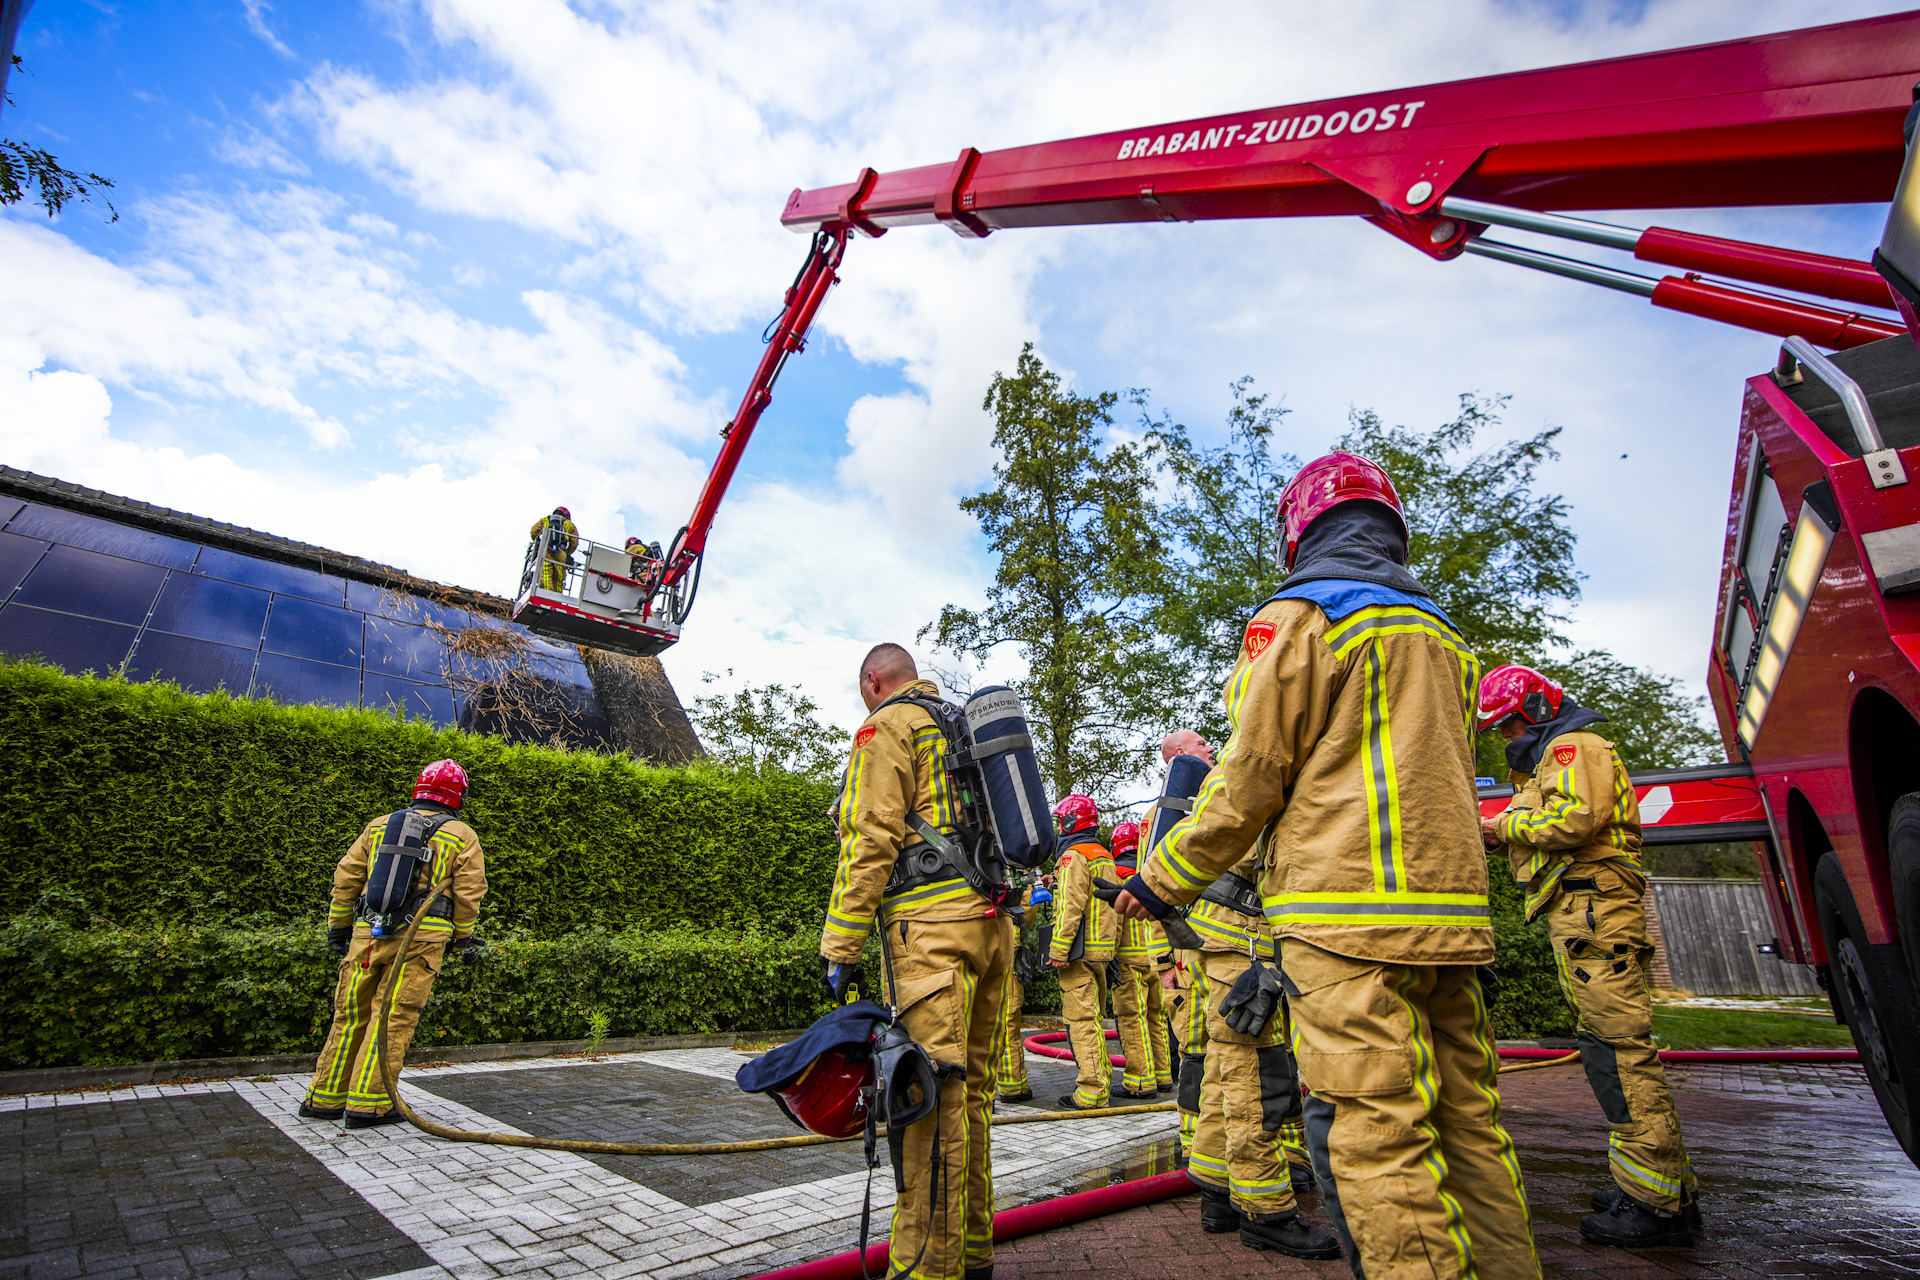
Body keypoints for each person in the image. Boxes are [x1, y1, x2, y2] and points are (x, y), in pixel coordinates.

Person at [1115, 451, 1540, 1280]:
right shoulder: (1441, 632)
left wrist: (1160, 877)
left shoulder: (1303, 616)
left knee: (1382, 1143)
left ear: (1299, 530)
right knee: (1472, 1133)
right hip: (1452, 925)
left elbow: (1249, 777)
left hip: (1346, 925)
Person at [1479, 664, 1700, 1248]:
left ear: (1535, 711)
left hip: (1593, 906)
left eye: (1508, 727)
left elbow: (1575, 819)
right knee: (1608, 1042)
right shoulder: (1559, 750)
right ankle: (1662, 1183)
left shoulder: (1574, 746)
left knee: (1617, 1048)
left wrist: (1502, 827)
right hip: (1584, 907)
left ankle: (1653, 1206)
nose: (1506, 740)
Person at [819, 643, 1013, 1280]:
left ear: (874, 681)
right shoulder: (956, 722)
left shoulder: (889, 725)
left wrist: (841, 945)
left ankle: (928, 1269)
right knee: (974, 1093)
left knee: (927, 1102)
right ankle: (973, 1253)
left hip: (930, 935)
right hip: (991, 926)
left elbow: (869, 833)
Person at [300, 760, 487, 1128]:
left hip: (366, 937)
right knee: (392, 1016)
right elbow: (469, 893)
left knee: (350, 1014)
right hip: (420, 941)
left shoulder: (380, 825)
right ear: (458, 797)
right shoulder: (461, 835)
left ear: (419, 788)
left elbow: (347, 878)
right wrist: (463, 936)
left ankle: (324, 1099)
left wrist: (338, 928)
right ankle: (369, 1105)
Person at [1047, 794, 1120, 1110]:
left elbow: (1070, 906)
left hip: (1078, 952)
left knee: (1080, 1020)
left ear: (1071, 822)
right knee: (1093, 1019)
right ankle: (1101, 1081)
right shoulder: (1102, 854)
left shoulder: (1073, 855)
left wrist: (1058, 949)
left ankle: (1091, 1091)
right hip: (1101, 950)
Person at [1109, 821, 1174, 1096]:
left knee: (1131, 1018)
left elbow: (1111, 922)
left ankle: (1139, 1082)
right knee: (1157, 1018)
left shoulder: (1117, 876)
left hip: (1128, 961)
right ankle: (1163, 1076)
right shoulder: (1151, 873)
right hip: (1155, 959)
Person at [992, 867, 1051, 1104]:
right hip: (1005, 942)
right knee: (1007, 1016)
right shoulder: (1015, 859)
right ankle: (1012, 1086)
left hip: (968, 942)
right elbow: (1027, 908)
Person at [529, 506, 578, 591]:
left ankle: (546, 595)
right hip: (561, 554)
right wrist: (567, 553)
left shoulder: (545, 520)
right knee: (558, 579)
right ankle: (556, 598)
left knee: (546, 575)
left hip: (546, 551)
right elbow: (574, 543)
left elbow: (533, 532)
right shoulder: (570, 524)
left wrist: (540, 542)